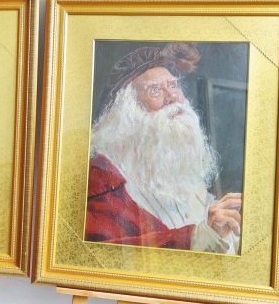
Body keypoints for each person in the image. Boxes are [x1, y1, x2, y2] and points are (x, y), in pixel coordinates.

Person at [86, 43, 242, 254]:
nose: (173, 97)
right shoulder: (103, 182)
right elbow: (110, 254)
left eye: (173, 85)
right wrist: (203, 237)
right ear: (129, 115)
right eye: (155, 90)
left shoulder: (177, 164)